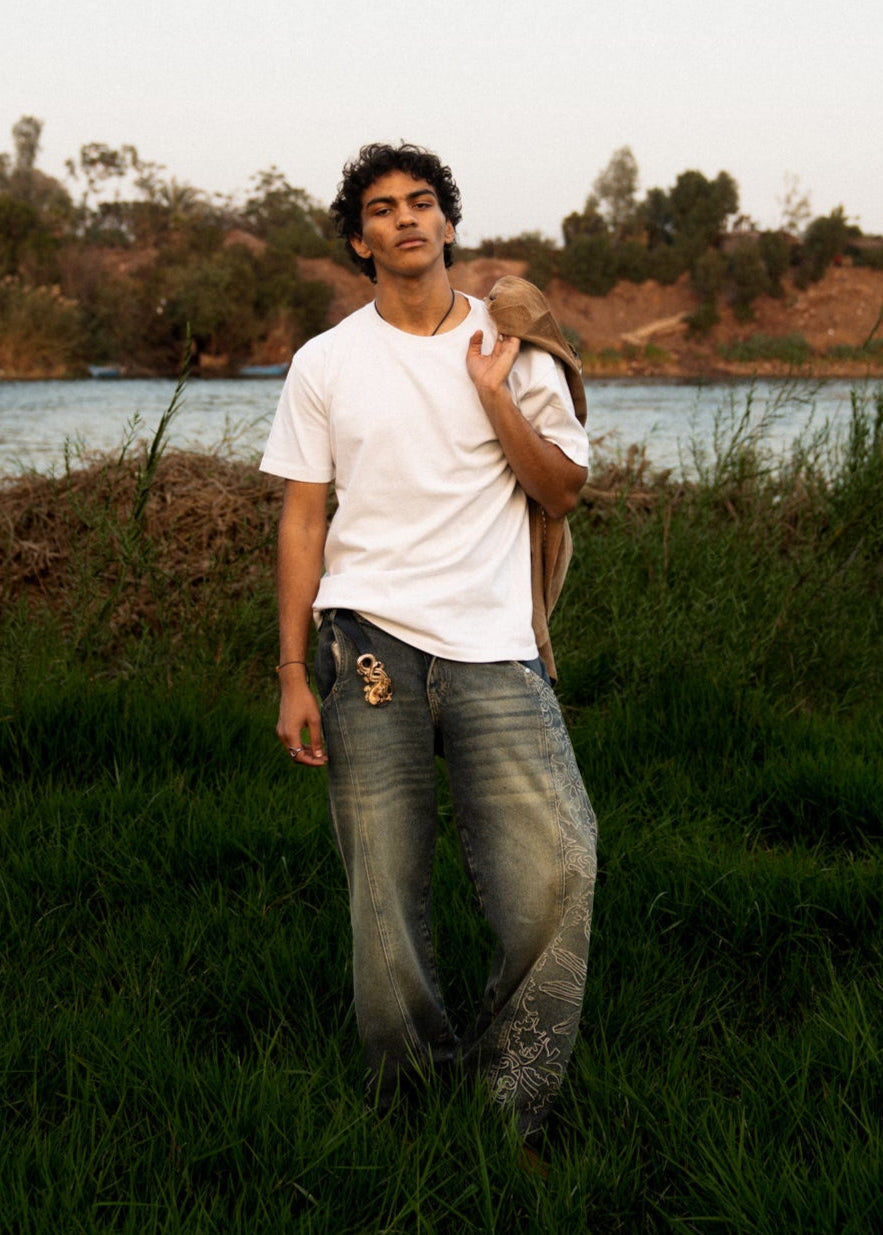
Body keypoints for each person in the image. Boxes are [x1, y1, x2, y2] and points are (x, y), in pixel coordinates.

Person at [260, 141, 597, 1138]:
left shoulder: (516, 345)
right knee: (385, 893)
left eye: (420, 202)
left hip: (493, 641)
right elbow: (302, 519)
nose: (404, 218)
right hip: (365, 640)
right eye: (381, 208)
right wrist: (291, 669)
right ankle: (408, 1106)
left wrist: (493, 393)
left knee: (559, 869)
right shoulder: (325, 362)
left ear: (447, 222)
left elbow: (562, 489)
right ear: (359, 240)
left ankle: (512, 1105)